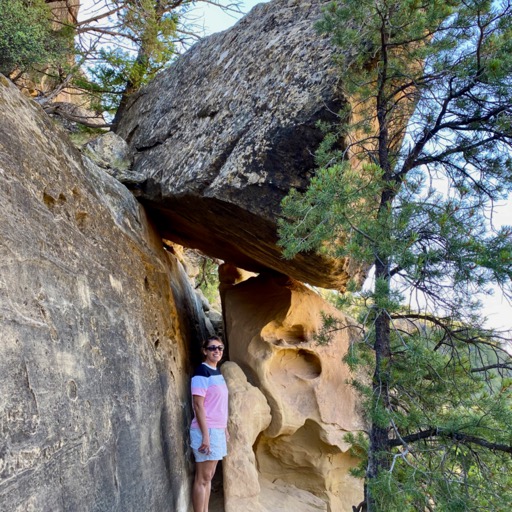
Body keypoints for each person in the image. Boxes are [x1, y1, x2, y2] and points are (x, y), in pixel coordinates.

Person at [190, 336, 228, 512]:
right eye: (212, 348)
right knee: (202, 478)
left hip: (217, 430)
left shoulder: (216, 372)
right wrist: (206, 435)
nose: (217, 351)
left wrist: (224, 429)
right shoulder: (201, 372)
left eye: (220, 348)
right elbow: (198, 405)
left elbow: (219, 405)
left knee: (209, 476)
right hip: (206, 430)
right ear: (205, 351)